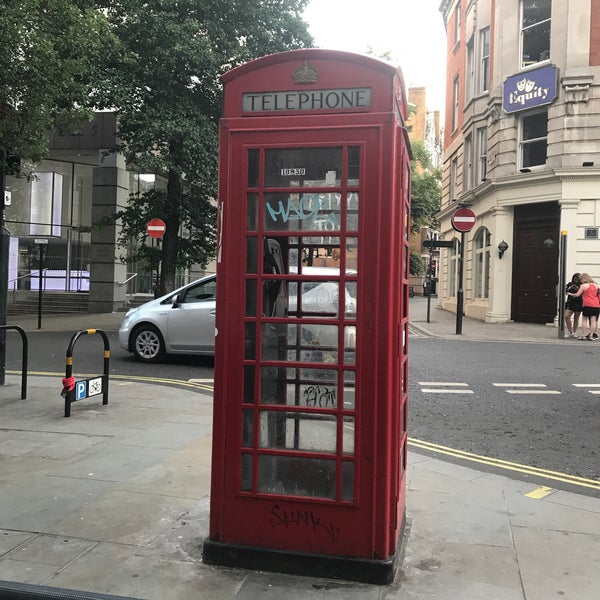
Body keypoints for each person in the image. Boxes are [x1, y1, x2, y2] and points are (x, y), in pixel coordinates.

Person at [567, 273, 600, 340]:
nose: (580, 280)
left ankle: (584, 335)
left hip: (587, 304)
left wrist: (569, 293)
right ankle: (591, 335)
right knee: (593, 320)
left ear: (584, 279)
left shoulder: (583, 285)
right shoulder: (596, 285)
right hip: (596, 304)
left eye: (581, 279)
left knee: (584, 319)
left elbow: (577, 295)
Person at [564, 273, 582, 338]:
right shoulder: (570, 284)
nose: (576, 279)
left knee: (576, 318)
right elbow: (565, 290)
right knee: (566, 316)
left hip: (579, 302)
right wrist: (569, 290)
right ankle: (570, 331)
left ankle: (574, 332)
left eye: (578, 278)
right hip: (570, 302)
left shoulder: (582, 285)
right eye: (575, 278)